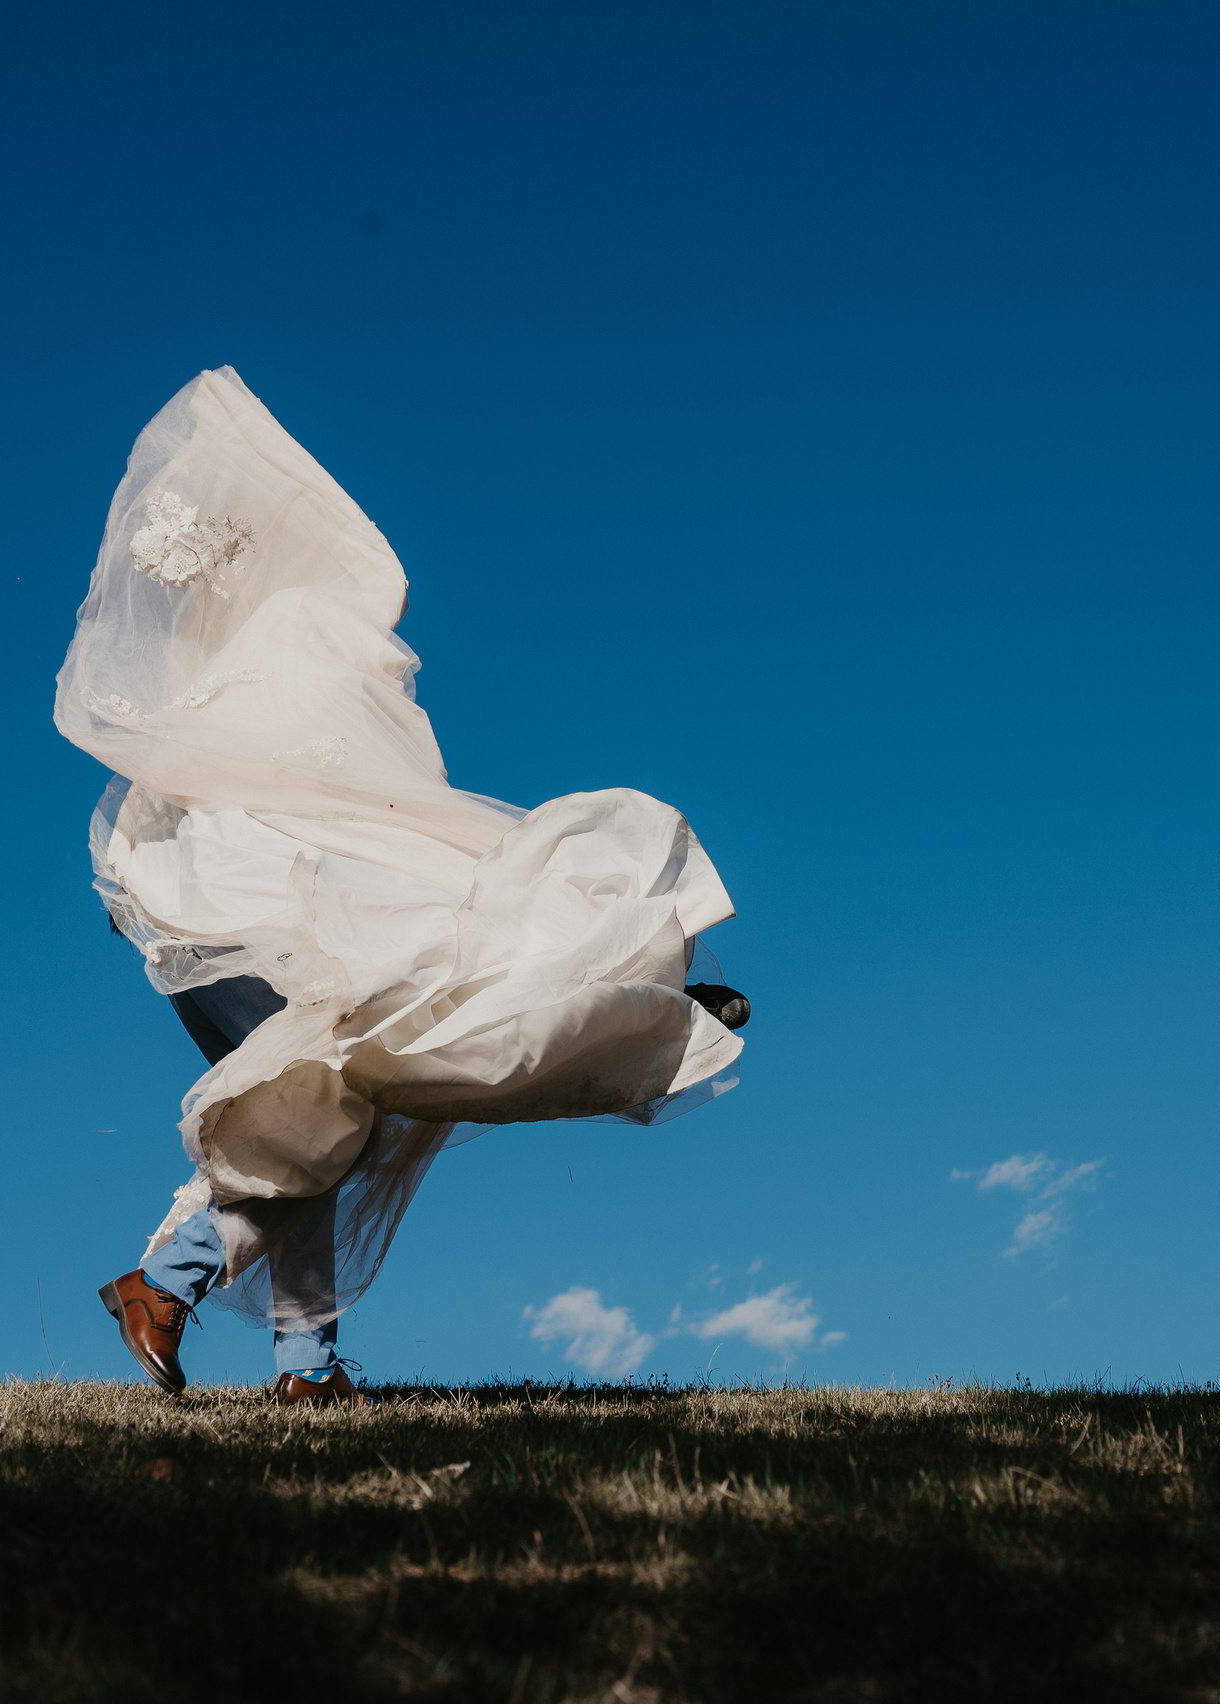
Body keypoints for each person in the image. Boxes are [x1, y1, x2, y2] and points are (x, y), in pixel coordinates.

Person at [63, 368, 750, 1404]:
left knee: (321, 1104)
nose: (396, 664)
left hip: (203, 912)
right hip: (238, 910)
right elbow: (359, 817)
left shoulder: (225, 688)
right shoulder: (292, 661)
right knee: (334, 1089)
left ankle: (302, 1367)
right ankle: (167, 1286)